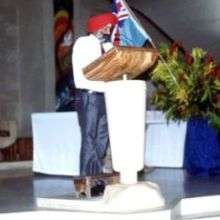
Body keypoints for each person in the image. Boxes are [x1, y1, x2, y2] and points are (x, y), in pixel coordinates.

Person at [72, 12, 117, 176]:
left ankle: (96, 175)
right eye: (106, 27)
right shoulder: (83, 42)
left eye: (110, 28)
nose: (108, 31)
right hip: (88, 96)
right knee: (89, 137)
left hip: (104, 96)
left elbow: (116, 63)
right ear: (97, 27)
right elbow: (91, 68)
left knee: (102, 138)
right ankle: (86, 178)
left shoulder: (105, 45)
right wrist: (105, 49)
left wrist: (108, 46)